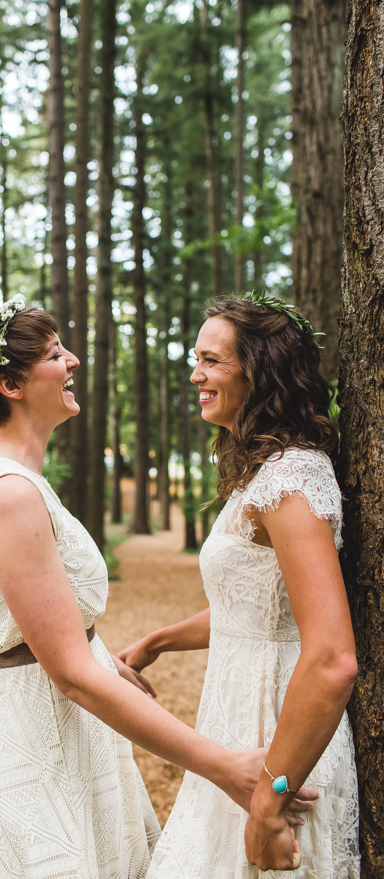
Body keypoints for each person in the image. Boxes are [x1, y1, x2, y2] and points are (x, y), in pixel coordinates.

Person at [0, 294, 314, 879]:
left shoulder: (20, 479)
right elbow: (68, 672)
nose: (74, 362)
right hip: (37, 741)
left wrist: (111, 660)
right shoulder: (11, 492)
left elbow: (57, 640)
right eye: (55, 353)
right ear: (12, 384)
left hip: (69, 726)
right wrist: (226, 767)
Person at [119, 294, 360, 879]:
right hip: (233, 719)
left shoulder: (294, 476)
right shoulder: (262, 472)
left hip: (278, 729)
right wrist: (156, 642)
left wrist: (272, 801)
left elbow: (331, 659)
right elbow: (255, 608)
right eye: (195, 360)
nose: (196, 375)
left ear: (262, 371)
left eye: (212, 361)